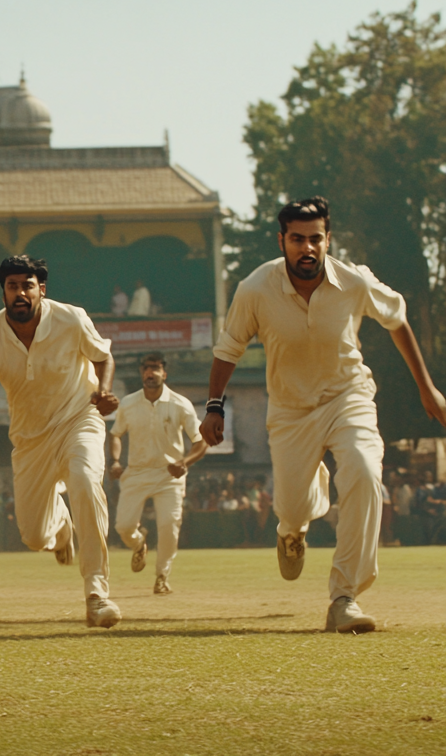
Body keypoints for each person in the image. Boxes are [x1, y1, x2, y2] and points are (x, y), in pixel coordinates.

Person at [203, 197, 446, 634]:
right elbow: (227, 350)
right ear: (282, 241)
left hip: (347, 396)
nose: (307, 248)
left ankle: (344, 597)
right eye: (297, 239)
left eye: (316, 238)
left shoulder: (354, 281)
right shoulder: (255, 289)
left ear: (327, 239)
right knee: (293, 507)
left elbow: (397, 320)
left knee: (366, 471)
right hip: (290, 411)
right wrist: (214, 406)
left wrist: (427, 390)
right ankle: (293, 529)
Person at [0, 255, 123, 627]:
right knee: (32, 535)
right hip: (30, 440)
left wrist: (103, 392)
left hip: (80, 418)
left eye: (27, 285)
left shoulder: (71, 317)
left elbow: (103, 357)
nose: (20, 293)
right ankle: (61, 530)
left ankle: (97, 594)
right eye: (12, 286)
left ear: (41, 289)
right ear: (3, 293)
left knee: (86, 480)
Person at [107, 353, 207, 595]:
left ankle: (162, 576)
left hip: (168, 476)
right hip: (136, 473)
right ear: (142, 373)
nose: (149, 373)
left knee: (169, 525)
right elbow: (115, 434)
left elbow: (200, 442)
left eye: (155, 368)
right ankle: (138, 543)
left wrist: (184, 462)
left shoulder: (180, 403)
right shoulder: (129, 403)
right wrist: (116, 461)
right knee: (123, 526)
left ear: (165, 373)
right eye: (146, 369)